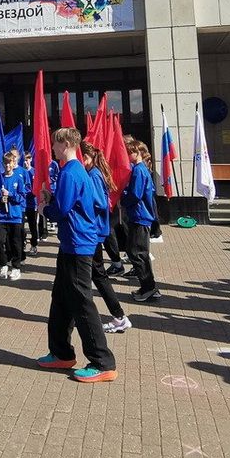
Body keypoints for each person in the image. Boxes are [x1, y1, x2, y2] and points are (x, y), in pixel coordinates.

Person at [36, 127, 117, 382]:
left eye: (55, 144)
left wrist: (45, 206)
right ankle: (61, 352)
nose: (52, 148)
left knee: (82, 302)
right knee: (61, 297)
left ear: (66, 144)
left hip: (78, 244)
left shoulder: (72, 172)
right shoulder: (74, 170)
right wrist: (53, 199)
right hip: (72, 243)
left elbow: (61, 210)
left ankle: (102, 361)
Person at [80, 142, 130, 334]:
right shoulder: (95, 173)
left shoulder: (93, 175)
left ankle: (119, 316)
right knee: (95, 275)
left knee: (96, 275)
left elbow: (100, 202)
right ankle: (118, 316)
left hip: (93, 231)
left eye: (82, 158)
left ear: (89, 158)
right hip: (95, 231)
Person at [121, 138, 160, 302]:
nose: (127, 155)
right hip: (141, 216)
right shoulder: (141, 169)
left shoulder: (138, 170)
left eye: (130, 152)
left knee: (137, 253)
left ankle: (148, 287)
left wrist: (122, 198)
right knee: (138, 252)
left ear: (137, 153)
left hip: (139, 216)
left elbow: (135, 195)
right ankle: (149, 286)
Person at [0, 150, 27, 282]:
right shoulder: (0, 179)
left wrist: (10, 195)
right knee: (0, 241)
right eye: (5, 163)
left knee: (16, 242)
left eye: (9, 163)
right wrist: (0, 198)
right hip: (2, 216)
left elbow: (22, 197)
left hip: (15, 216)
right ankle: (4, 264)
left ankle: (16, 267)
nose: (7, 166)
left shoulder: (18, 179)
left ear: (14, 162)